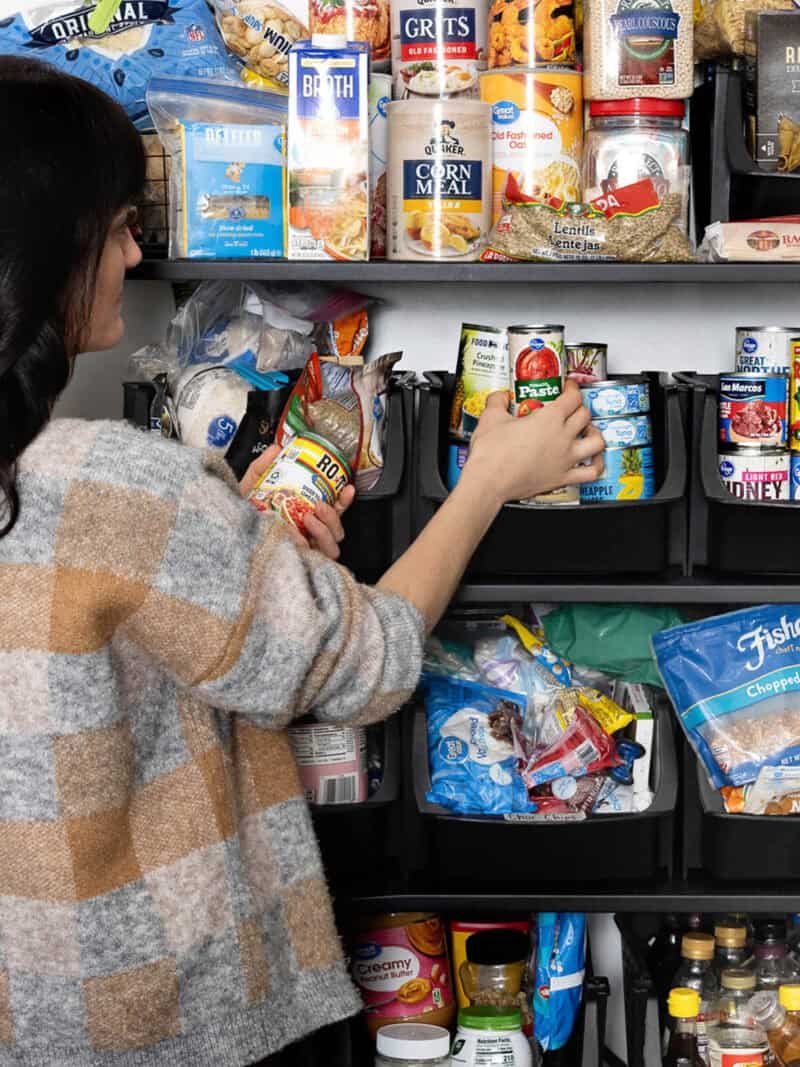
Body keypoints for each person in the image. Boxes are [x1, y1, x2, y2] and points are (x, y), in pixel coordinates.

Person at [0, 55, 604, 1067]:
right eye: (114, 230)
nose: (134, 253)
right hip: (168, 1015)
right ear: (46, 253)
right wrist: (488, 480)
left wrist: (230, 542)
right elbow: (362, 663)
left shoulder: (90, 493)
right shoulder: (111, 484)